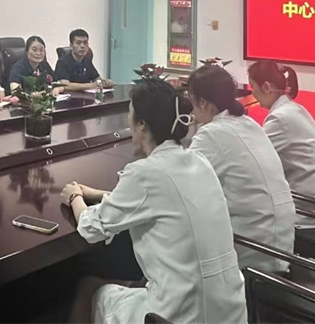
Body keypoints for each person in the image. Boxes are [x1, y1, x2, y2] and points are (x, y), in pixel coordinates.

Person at [60, 80, 246, 324]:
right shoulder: (198, 161)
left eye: (130, 114)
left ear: (142, 125)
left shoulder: (144, 173)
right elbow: (160, 200)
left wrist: (74, 196)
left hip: (181, 315)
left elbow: (90, 228)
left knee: (89, 288)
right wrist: (97, 194)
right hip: (230, 310)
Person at [187, 63, 296, 271]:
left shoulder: (211, 134)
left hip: (254, 251)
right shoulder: (249, 123)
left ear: (203, 103)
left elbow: (184, 187)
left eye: (191, 100)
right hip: (281, 245)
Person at [248, 60, 315, 228]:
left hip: (305, 211)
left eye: (253, 88)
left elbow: (252, 159)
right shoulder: (294, 109)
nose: (253, 94)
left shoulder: (280, 118)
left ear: (266, 87)